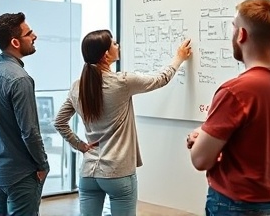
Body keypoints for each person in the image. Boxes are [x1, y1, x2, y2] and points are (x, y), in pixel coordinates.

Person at [54, 29, 191, 216]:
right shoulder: (122, 82)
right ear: (105, 55)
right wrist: (179, 58)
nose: (118, 46)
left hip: (88, 172)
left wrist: (80, 145)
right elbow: (162, 79)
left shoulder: (77, 86)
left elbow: (59, 122)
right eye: (114, 44)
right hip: (118, 172)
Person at [187, 0, 270, 215]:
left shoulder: (235, 91)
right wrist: (208, 134)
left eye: (233, 26)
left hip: (236, 206)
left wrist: (200, 140)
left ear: (241, 34)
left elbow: (200, 159)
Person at [0, 12, 50, 216]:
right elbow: (30, 131)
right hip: (20, 175)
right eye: (29, 33)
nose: (35, 36)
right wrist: (43, 164)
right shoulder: (20, 79)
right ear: (15, 42)